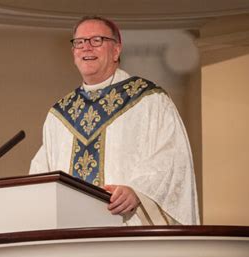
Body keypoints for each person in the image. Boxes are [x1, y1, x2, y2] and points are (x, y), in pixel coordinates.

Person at [30, 16, 200, 225]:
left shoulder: (149, 101)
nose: (86, 48)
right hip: (72, 235)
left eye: (96, 41)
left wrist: (138, 193)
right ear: (74, 52)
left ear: (116, 50)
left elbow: (172, 157)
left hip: (129, 233)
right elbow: (41, 176)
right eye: (80, 42)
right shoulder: (59, 115)